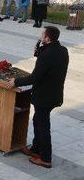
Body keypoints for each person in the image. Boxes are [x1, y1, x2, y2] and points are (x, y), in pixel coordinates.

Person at [5, 26, 69, 169]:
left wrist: (16, 81)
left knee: (43, 126)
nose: (40, 36)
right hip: (55, 94)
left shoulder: (46, 55)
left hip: (44, 96)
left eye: (42, 35)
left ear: (47, 38)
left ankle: (45, 158)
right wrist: (39, 53)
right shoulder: (62, 50)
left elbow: (34, 77)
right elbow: (50, 62)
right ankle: (35, 148)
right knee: (37, 120)